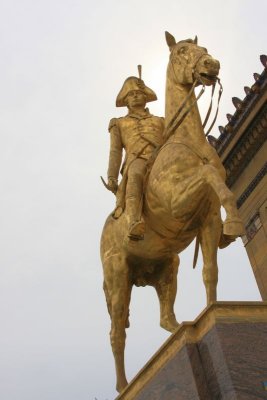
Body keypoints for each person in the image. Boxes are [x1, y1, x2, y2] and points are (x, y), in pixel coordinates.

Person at [106, 72, 164, 240]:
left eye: (139, 93)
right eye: (131, 95)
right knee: (136, 173)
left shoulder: (161, 120)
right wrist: (112, 177)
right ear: (126, 101)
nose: (136, 96)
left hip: (161, 158)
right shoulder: (118, 123)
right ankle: (133, 221)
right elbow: (115, 151)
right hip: (137, 160)